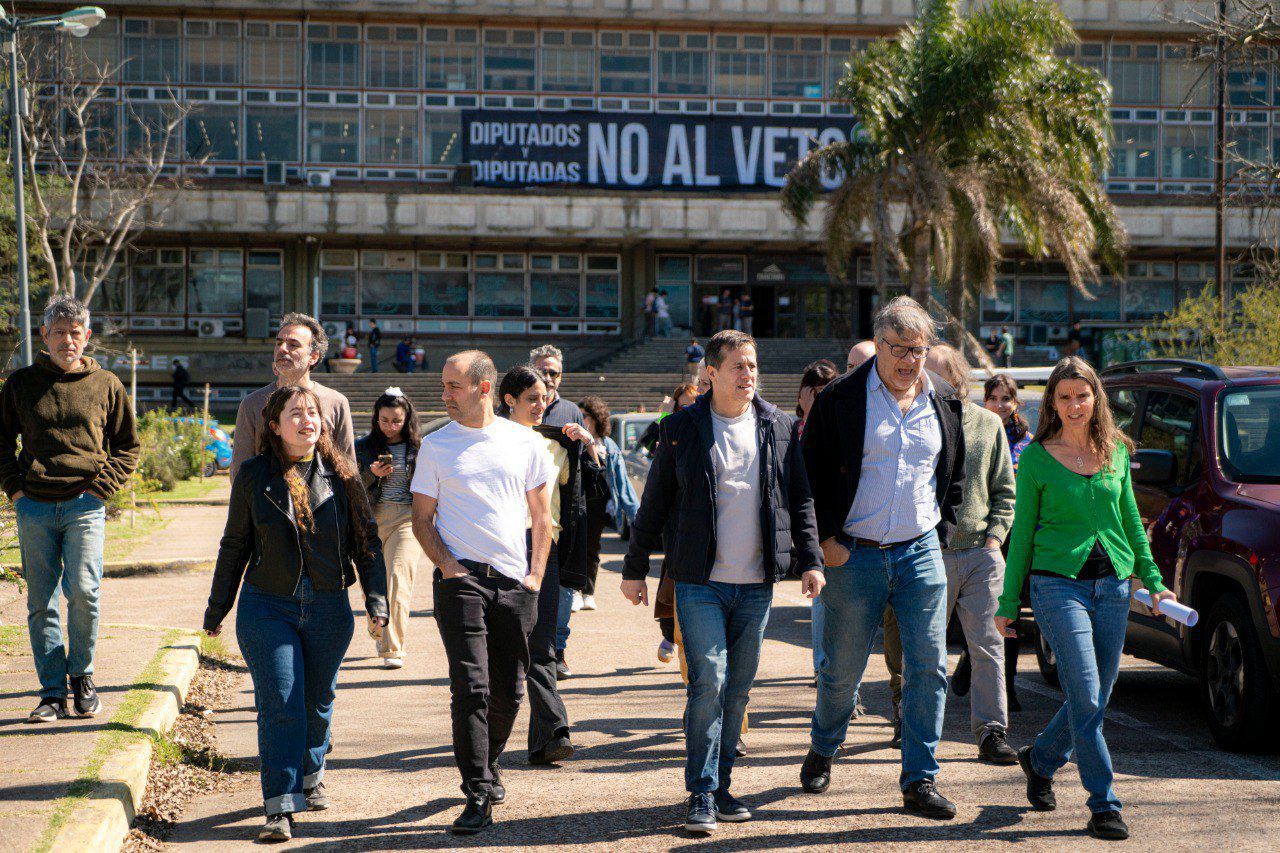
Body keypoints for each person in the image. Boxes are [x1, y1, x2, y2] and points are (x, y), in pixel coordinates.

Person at [623, 329, 824, 835]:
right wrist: (633, 566)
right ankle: (702, 792)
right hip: (700, 581)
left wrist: (813, 559)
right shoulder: (682, 427)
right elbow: (656, 502)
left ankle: (724, 783)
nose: (748, 374)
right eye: (737, 365)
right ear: (711, 372)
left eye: (752, 365)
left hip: (755, 583)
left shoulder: (777, 426)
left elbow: (799, 498)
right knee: (708, 680)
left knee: (738, 689)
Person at [998, 357, 1177, 840]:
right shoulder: (1036, 457)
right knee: (1088, 693)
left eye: (1083, 395)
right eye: (1064, 397)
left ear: (1096, 397)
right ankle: (1104, 803)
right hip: (1058, 585)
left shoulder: (1116, 450)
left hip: (1114, 586)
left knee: (1094, 697)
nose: (1075, 405)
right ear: (1052, 403)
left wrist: (1154, 581)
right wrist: (1007, 603)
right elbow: (1023, 537)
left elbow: (1131, 524)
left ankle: (1040, 758)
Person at [800, 296, 965, 820]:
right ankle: (825, 745)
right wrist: (824, 540)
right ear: (880, 345)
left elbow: (954, 471)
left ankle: (920, 780)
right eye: (899, 350)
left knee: (928, 669)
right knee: (842, 672)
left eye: (918, 351)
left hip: (920, 551)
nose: (909, 361)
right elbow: (806, 477)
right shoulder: (841, 400)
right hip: (854, 557)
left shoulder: (942, 400)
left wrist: (945, 530)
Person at [204, 385, 388, 842]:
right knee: (282, 703)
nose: (308, 420)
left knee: (317, 702)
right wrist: (217, 607)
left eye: (313, 413)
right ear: (274, 425)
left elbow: (367, 543)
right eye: (296, 413)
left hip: (328, 605)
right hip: (267, 605)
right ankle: (280, 806)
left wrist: (377, 599)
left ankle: (310, 773)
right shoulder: (252, 475)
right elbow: (235, 545)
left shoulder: (346, 477)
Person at [411, 351, 555, 835]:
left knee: (510, 691)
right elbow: (421, 519)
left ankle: (488, 761)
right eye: (444, 386)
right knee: (470, 688)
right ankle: (476, 792)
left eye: (454, 386)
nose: (445, 395)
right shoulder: (436, 445)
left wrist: (534, 579)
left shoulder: (524, 443)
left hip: (516, 583)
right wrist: (449, 567)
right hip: (461, 583)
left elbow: (541, 518)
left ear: (485, 387)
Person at [0, 296, 139, 724]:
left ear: (87, 337)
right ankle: (52, 694)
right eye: (59, 332)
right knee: (41, 601)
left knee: (83, 592)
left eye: (75, 332)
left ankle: (82, 677)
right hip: (35, 507)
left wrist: (101, 490)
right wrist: (16, 491)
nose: (67, 340)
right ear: (44, 336)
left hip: (85, 505)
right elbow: (2, 443)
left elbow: (128, 446)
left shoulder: (107, 384)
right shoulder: (21, 384)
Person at [921, 345, 1018, 764]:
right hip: (930, 553)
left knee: (988, 646)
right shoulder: (916, 421)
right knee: (925, 653)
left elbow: (1005, 491)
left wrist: (995, 539)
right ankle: (919, 732)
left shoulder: (987, 424)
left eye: (936, 373)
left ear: (958, 377)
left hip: (981, 553)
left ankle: (992, 732)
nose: (926, 379)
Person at [498, 365, 598, 758]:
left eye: (545, 398)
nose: (542, 405)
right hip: (503, 550)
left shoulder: (556, 442)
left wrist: (587, 444)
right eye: (532, 399)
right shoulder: (490, 440)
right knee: (503, 650)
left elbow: (591, 491)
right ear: (509, 401)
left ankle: (550, 736)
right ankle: (487, 750)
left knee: (543, 645)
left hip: (547, 547)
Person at [953, 372, 1035, 712]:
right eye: (993, 398)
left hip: (1017, 537)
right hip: (983, 537)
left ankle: (1007, 686)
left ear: (1015, 403)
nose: (999, 405)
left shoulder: (1028, 441)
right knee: (982, 617)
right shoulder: (976, 431)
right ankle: (970, 663)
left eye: (1006, 399)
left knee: (1008, 614)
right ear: (984, 399)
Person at [231, 313, 356, 479]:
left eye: (293, 345)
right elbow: (240, 472)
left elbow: (349, 469)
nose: (282, 349)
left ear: (313, 356)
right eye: (279, 343)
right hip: (268, 501)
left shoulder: (336, 403)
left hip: (323, 501)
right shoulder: (252, 403)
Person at [356, 387, 424, 669]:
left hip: (407, 520)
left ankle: (392, 648)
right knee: (373, 587)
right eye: (384, 420)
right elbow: (351, 488)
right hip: (372, 520)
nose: (390, 426)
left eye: (396, 421)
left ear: (407, 419)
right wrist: (371, 474)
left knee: (397, 580)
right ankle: (378, 625)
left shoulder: (419, 448)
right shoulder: (362, 447)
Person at [796, 359, 839, 686]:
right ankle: (822, 666)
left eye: (827, 392)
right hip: (813, 526)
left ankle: (836, 670)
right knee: (822, 600)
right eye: (816, 393)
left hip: (842, 524)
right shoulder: (792, 427)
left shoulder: (841, 422)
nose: (822, 399)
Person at [530, 345, 584, 429]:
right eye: (541, 372)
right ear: (531, 373)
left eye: (553, 373)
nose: (547, 378)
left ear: (560, 377)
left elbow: (581, 442)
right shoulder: (516, 407)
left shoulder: (572, 411)